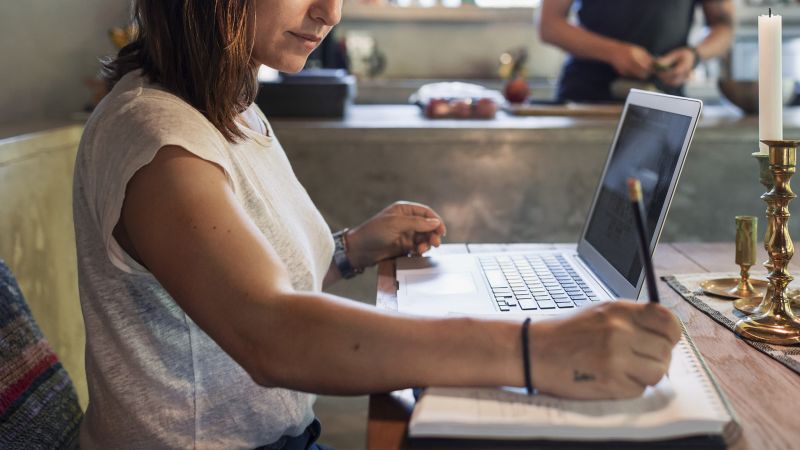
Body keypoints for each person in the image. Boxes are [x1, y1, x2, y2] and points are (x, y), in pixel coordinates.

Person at [73, 0, 683, 448]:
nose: (329, 11)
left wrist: (350, 249)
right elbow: (270, 333)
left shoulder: (228, 109)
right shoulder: (158, 138)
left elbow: (233, 278)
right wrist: (538, 349)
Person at [539, 0, 734, 103]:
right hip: (586, 100)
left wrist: (694, 55)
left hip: (665, 102)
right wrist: (612, 52)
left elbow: (724, 27)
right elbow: (549, 24)